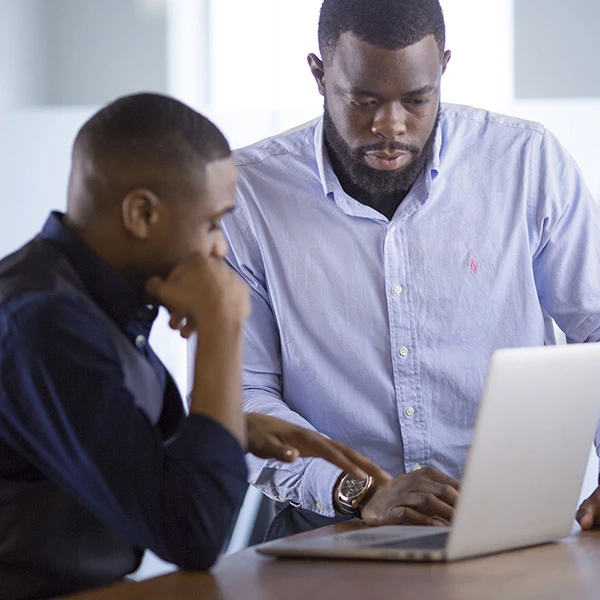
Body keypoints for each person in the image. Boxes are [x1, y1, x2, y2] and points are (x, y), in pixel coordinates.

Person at [222, 0, 600, 541]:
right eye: (363, 100)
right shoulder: (248, 196)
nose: (390, 127)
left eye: (417, 100)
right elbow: (242, 394)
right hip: (329, 527)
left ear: (443, 67)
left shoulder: (526, 163)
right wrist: (360, 491)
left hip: (511, 526)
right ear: (319, 73)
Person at [0, 92, 390, 600]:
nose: (219, 248)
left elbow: (121, 455)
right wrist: (221, 325)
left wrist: (231, 429)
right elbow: (192, 532)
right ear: (141, 214)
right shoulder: (46, 320)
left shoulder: (81, 299)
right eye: (211, 224)